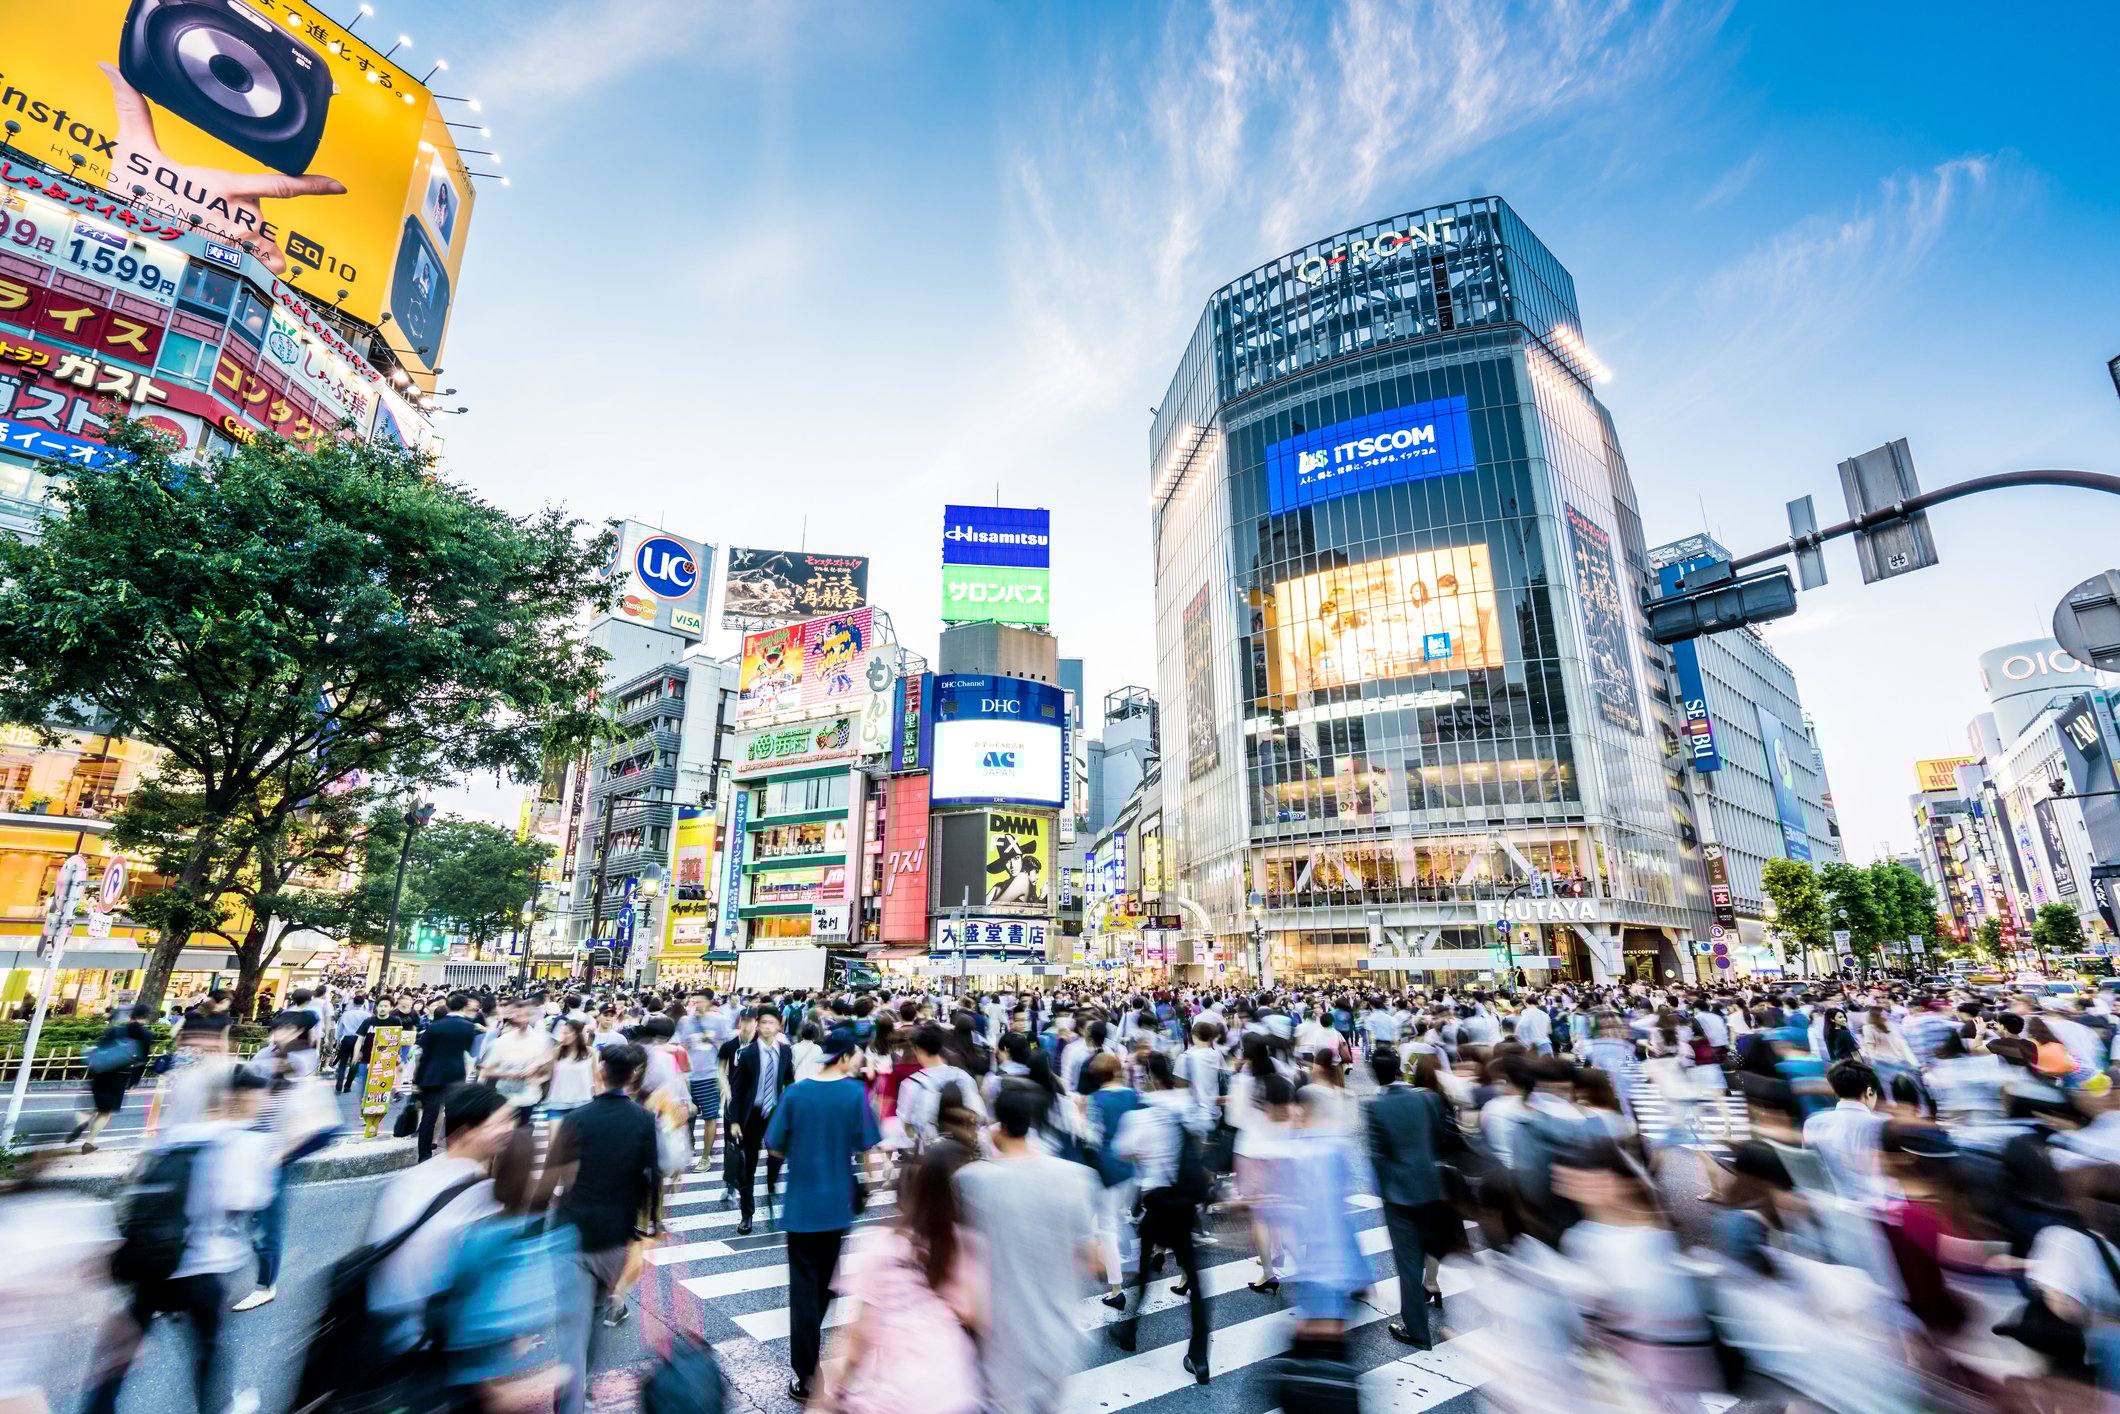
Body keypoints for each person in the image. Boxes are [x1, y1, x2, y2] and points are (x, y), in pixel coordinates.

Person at [79, 1064, 275, 1414]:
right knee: (208, 1348)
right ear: (240, 1097)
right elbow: (245, 1199)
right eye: (260, 1095)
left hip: (152, 1259)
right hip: (204, 1263)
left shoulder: (178, 1133)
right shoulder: (246, 1140)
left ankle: (97, 1408)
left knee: (123, 1349)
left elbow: (138, 1186)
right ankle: (220, 1408)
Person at [959, 1078, 1107, 1410]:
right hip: (1061, 1338)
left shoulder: (970, 1181)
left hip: (1001, 1342)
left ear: (997, 1123)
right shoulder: (1077, 1178)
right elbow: (1096, 1261)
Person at [813, 1140, 983, 1414]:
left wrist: (834, 1392)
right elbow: (976, 1315)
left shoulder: (882, 1246)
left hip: (900, 1397)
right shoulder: (965, 1246)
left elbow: (859, 1335)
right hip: (955, 1390)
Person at [540, 1043, 661, 1414]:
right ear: (633, 1076)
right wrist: (649, 1223)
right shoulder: (643, 1119)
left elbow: (552, 1174)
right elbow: (650, 1174)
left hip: (574, 1228)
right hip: (616, 1232)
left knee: (573, 1328)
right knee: (594, 1317)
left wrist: (533, 1218)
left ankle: (571, 1403)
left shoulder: (578, 1118)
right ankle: (583, 1388)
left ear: (600, 1072)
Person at [764, 1028, 881, 1404]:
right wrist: (874, 1178)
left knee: (805, 1288)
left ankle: (806, 1375)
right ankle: (808, 1360)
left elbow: (775, 1145)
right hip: (836, 1206)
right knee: (824, 1285)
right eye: (858, 1053)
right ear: (845, 1056)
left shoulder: (796, 1093)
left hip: (801, 1204)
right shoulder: (853, 1094)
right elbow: (867, 1146)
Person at [363, 1084, 516, 1356]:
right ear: (467, 1131)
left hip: (385, 1331)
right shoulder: (477, 1195)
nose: (510, 1129)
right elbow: (477, 1292)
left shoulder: (412, 1178)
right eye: (501, 1122)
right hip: (429, 1345)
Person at [1367, 1048, 1453, 1347]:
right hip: (1431, 1185)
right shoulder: (1426, 1098)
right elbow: (1439, 1138)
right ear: (1400, 1069)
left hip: (1399, 1194)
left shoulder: (1375, 1106)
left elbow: (1378, 1156)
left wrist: (1384, 1189)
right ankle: (1433, 1285)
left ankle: (1417, 1330)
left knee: (1407, 1264)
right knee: (1430, 1248)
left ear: (1374, 1073)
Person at [727, 1007, 796, 1236]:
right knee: (748, 1165)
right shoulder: (747, 1053)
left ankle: (770, 1199)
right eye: (763, 1023)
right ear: (757, 1025)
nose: (766, 1027)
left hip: (776, 1114)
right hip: (752, 1115)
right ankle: (747, 1214)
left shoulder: (786, 1051)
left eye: (771, 1023)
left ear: (779, 1026)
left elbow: (789, 1082)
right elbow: (736, 1090)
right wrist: (734, 1120)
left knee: (775, 1163)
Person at [72, 1003, 153, 1152]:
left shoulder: (116, 1030)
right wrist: (134, 1081)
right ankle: (89, 1142)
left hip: (101, 1072)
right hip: (121, 1075)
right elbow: (142, 1060)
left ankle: (81, 1122)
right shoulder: (147, 1035)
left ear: (131, 1015)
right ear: (146, 1017)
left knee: (90, 1105)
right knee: (105, 1111)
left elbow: (99, 1049)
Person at [411, 992, 482, 1161]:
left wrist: (417, 1080)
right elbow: (470, 1050)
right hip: (455, 1076)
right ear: (465, 1006)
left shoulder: (435, 1026)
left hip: (431, 1077)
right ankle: (451, 1153)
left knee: (429, 1118)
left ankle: (424, 1156)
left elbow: (423, 1053)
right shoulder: (468, 1027)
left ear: (448, 1007)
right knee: (453, 1117)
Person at [479, 997, 555, 1117]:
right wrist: (511, 1075)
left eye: (525, 1014)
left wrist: (536, 1072)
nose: (522, 1017)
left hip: (529, 1098)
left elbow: (548, 1069)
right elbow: (486, 1072)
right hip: (504, 1098)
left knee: (521, 1131)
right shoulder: (502, 1041)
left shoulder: (542, 1039)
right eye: (518, 1014)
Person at [332, 993, 371, 1095]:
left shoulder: (346, 1014)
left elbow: (340, 1028)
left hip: (347, 1039)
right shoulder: (367, 1015)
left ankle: (339, 1082)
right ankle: (348, 1085)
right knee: (355, 1062)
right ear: (363, 1003)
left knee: (343, 1062)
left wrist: (338, 1040)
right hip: (360, 1041)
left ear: (353, 1002)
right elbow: (368, 1031)